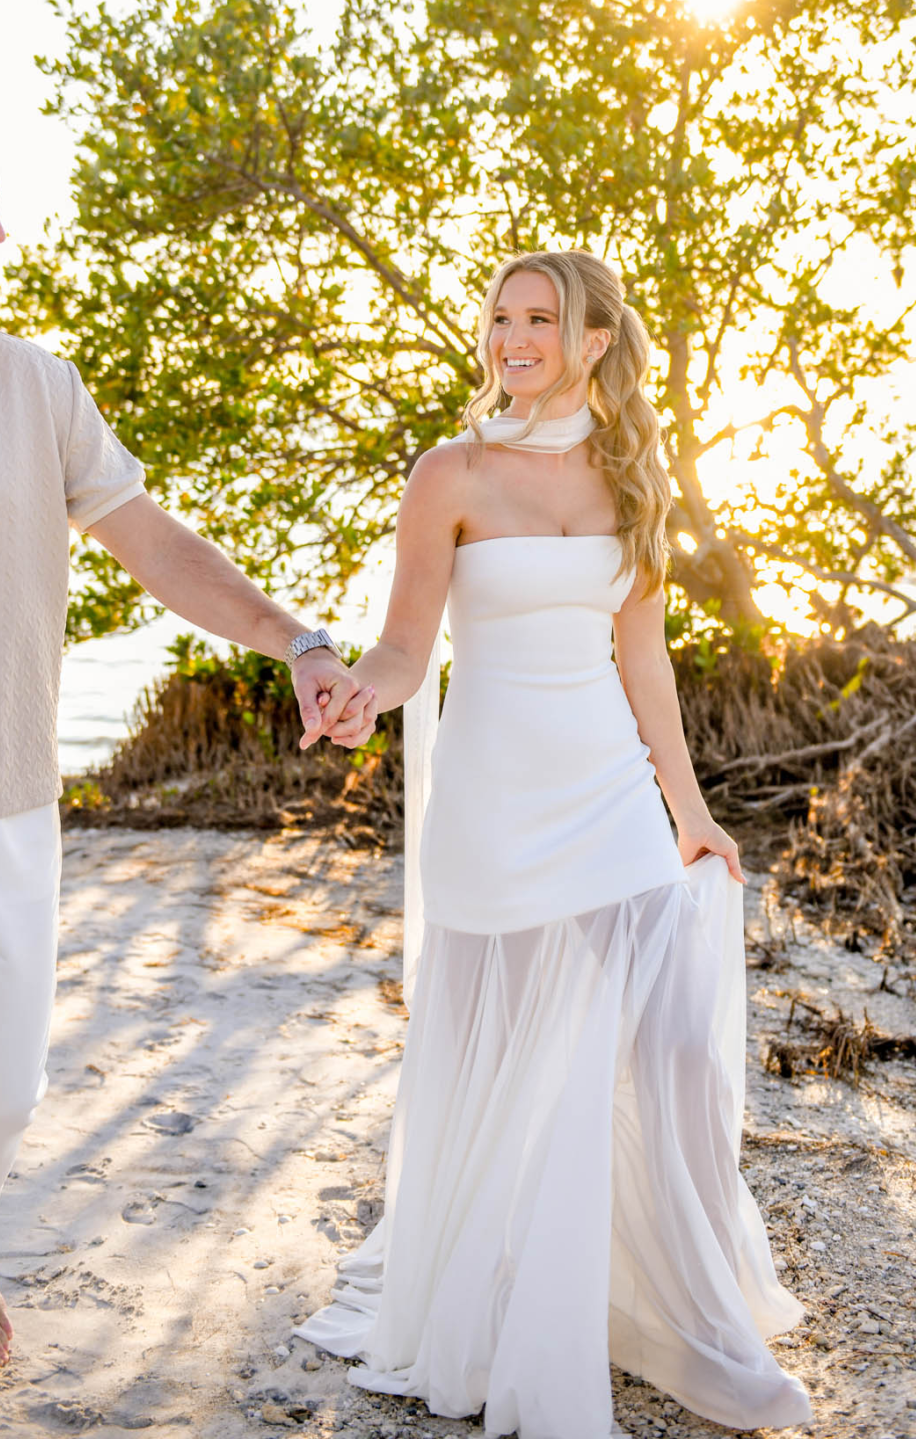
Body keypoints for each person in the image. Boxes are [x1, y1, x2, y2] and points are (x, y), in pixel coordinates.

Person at [0, 88, 362, 1439]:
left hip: (9, 808)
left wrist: (296, 639)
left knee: (1, 1100)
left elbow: (152, 541)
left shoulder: (37, 387)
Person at [297, 250, 813, 1436]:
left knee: (676, 1048)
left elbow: (644, 658)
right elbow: (405, 648)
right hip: (495, 803)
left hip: (611, 795)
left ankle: (686, 1307)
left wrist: (689, 809)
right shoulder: (451, 472)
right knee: (525, 1066)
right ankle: (526, 1303)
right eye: (501, 316)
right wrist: (358, 693)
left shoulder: (634, 476)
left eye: (541, 317)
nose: (513, 336)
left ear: (593, 341)